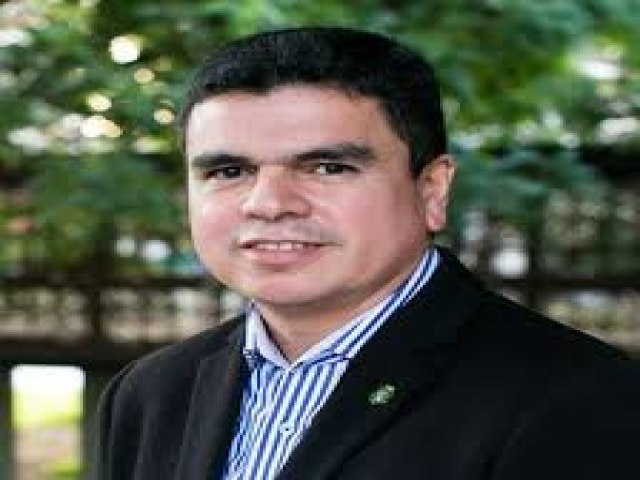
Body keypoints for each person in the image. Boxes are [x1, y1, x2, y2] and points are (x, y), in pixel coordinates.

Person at [90, 27, 640, 480]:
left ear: (432, 190)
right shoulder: (151, 393)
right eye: (229, 171)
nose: (269, 203)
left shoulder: (575, 398)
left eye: (328, 167)